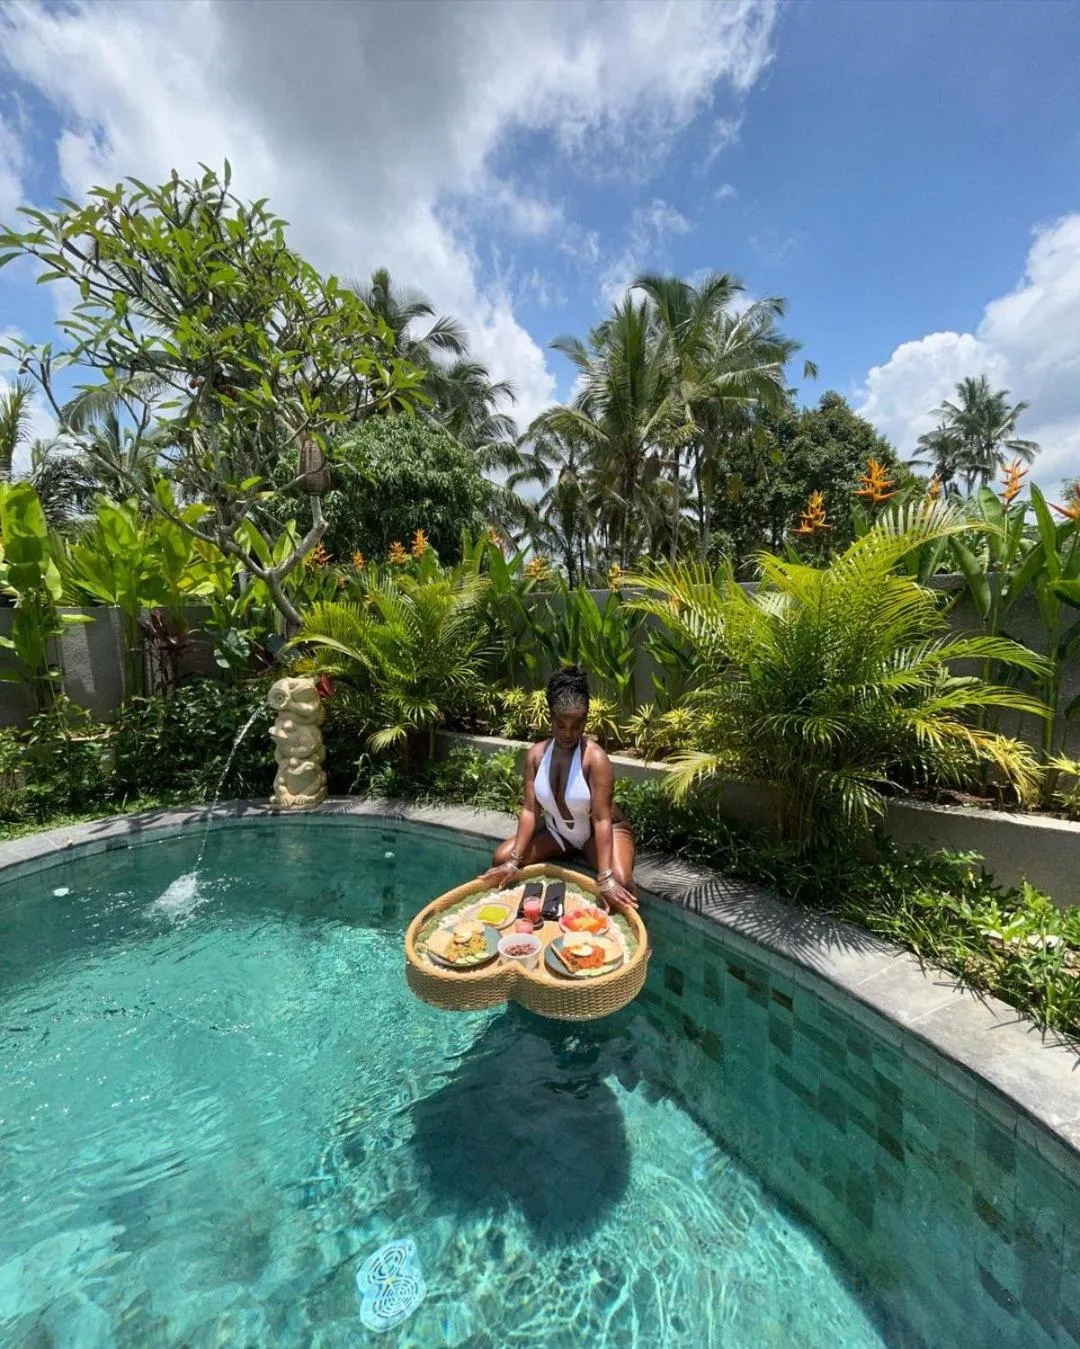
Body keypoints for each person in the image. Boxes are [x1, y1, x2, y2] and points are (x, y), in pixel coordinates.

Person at [481, 665, 638, 908]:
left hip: (597, 834)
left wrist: (605, 877)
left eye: (577, 725)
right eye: (560, 724)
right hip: (559, 832)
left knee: (621, 883)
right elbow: (530, 810)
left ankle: (643, 938)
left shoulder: (594, 759)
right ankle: (566, 854)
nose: (568, 733)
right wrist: (513, 862)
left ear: (585, 721)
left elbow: (601, 820)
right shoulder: (535, 756)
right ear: (551, 718)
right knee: (500, 859)